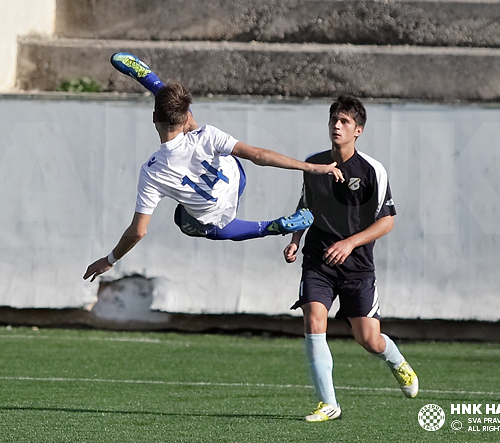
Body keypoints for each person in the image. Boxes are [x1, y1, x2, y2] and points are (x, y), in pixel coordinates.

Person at [83, 54, 344, 283]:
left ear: (154, 118)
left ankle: (271, 226)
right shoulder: (206, 134)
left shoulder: (152, 172)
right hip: (236, 178)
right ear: (185, 117)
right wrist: (310, 167)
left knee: (185, 221)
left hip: (217, 214)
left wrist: (111, 258)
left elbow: (138, 231)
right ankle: (151, 80)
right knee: (221, 152)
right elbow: (259, 155)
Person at [283, 94, 418, 423]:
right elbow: (306, 206)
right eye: (333, 120)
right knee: (315, 321)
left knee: (369, 340)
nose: (337, 126)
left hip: (357, 266)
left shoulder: (372, 170)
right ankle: (328, 404)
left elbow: (387, 220)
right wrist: (295, 239)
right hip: (318, 261)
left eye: (344, 121)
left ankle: (396, 361)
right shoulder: (314, 165)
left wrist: (349, 243)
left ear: (358, 130)